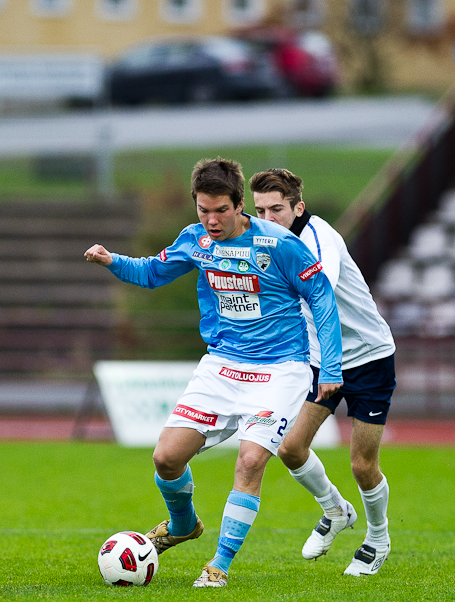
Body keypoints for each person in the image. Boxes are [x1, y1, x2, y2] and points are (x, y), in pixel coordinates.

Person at [84, 157, 343, 588]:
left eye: (220, 210)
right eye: (203, 210)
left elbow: (322, 297)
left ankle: (219, 565)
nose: (211, 220)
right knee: (166, 458)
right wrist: (113, 260)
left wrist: (330, 365)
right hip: (222, 366)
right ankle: (183, 525)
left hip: (280, 371)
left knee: (250, 459)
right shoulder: (195, 241)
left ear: (240, 205)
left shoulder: (279, 245)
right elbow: (151, 273)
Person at [250, 168, 395, 577]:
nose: (268, 217)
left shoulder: (318, 237)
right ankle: (335, 511)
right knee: (291, 450)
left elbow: (320, 293)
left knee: (363, 466)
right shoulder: (263, 241)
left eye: (276, 208)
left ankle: (378, 537)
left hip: (368, 358)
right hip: (320, 360)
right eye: (260, 209)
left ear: (297, 206)